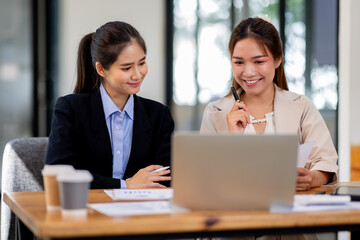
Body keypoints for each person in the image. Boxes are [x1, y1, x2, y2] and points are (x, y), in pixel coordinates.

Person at [200, 17, 338, 191]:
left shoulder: (301, 106)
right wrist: (232, 140)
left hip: (290, 211)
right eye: (239, 62)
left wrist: (311, 178)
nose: (248, 72)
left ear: (278, 59)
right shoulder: (214, 112)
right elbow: (205, 178)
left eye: (258, 61)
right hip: (234, 212)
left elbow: (325, 162)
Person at [46, 21, 174, 189]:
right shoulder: (71, 109)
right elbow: (59, 175)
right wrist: (125, 185)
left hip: (142, 212)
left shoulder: (159, 115)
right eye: (127, 68)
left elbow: (165, 178)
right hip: (85, 210)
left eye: (141, 63)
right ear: (101, 69)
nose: (138, 75)